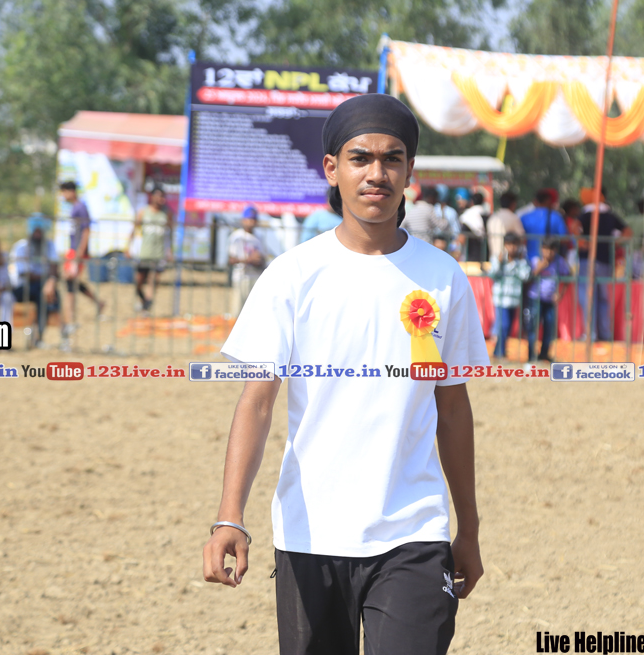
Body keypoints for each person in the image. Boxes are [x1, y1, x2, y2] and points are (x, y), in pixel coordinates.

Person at [203, 94, 488, 655]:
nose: (376, 173)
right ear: (332, 169)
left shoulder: (444, 277)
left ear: (409, 171)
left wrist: (469, 529)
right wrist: (229, 516)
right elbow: (257, 402)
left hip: (414, 532)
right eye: (360, 158)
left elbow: (453, 410)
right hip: (310, 533)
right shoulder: (292, 275)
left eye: (392, 159)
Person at [577, 188, 630, 342]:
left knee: (588, 297)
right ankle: (605, 333)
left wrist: (581, 242)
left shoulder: (587, 213)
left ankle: (590, 333)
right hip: (605, 261)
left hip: (588, 260)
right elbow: (627, 232)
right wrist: (614, 244)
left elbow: (574, 227)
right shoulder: (610, 215)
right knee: (603, 298)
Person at [59, 180, 106, 336]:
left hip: (77, 251)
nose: (63, 195)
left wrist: (80, 251)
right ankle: (98, 303)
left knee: (69, 281)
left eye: (64, 191)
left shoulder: (81, 207)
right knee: (72, 282)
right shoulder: (75, 208)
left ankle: (70, 320)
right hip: (73, 250)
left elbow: (86, 230)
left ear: (71, 191)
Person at [8, 215, 60, 347]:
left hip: (42, 286)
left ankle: (42, 335)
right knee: (43, 293)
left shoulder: (49, 245)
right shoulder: (20, 247)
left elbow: (54, 266)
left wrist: (51, 281)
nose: (38, 235)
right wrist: (47, 279)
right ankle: (38, 334)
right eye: (35, 231)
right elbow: (25, 274)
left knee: (49, 294)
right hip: (22, 287)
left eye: (40, 231)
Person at [525, 240, 570, 362]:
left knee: (549, 328)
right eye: (545, 249)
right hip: (535, 298)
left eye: (551, 250)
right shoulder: (536, 260)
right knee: (533, 327)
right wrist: (540, 267)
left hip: (550, 300)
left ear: (555, 250)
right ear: (541, 249)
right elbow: (528, 277)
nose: (548, 253)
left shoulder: (560, 262)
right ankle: (531, 356)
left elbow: (568, 277)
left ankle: (544, 354)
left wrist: (560, 294)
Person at [490, 233, 531, 359]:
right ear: (504, 246)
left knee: (508, 327)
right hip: (501, 299)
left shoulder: (522, 261)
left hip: (514, 299)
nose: (512, 248)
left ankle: (499, 352)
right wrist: (499, 263)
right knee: (504, 325)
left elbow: (525, 276)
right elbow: (492, 275)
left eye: (514, 245)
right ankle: (499, 353)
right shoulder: (497, 258)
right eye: (509, 245)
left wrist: (516, 264)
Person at [131, 186, 171, 313]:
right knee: (138, 281)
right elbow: (134, 229)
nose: (161, 199)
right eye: (158, 196)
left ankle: (147, 307)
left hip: (159, 253)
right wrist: (129, 246)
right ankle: (143, 301)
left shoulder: (167, 213)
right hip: (144, 252)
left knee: (153, 281)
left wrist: (170, 251)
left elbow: (171, 233)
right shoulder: (143, 212)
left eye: (162, 196)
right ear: (152, 197)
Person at [227, 205, 265, 317]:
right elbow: (231, 259)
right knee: (238, 310)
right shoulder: (237, 236)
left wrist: (259, 260)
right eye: (249, 219)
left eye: (254, 219)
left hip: (256, 277)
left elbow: (263, 257)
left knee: (253, 312)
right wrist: (249, 259)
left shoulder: (259, 237)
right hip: (241, 276)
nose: (251, 222)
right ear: (243, 220)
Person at [520, 187, 566, 263]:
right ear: (548, 201)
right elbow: (564, 239)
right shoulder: (556, 217)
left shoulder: (524, 217)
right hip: (550, 261)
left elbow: (520, 238)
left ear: (535, 201)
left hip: (529, 260)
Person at [486, 191, 524, 262]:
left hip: (493, 257)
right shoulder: (513, 218)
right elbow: (522, 237)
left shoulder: (492, 218)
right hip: (506, 259)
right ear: (513, 204)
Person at [458, 192, 488, 262]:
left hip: (470, 256)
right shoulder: (486, 214)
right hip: (485, 256)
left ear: (472, 202)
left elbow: (462, 238)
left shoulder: (467, 215)